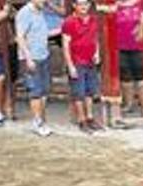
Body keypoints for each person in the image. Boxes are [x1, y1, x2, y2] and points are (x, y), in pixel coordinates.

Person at [61, 0, 102, 133]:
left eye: (86, 4)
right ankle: (81, 120)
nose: (84, 7)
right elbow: (66, 45)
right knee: (79, 93)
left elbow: (95, 38)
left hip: (90, 60)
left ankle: (90, 117)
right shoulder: (69, 22)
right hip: (76, 61)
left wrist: (97, 52)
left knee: (90, 91)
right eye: (80, 4)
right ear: (74, 6)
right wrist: (70, 65)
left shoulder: (93, 20)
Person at [16, 0, 53, 136]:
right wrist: (28, 58)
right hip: (32, 58)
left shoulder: (40, 11)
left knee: (44, 91)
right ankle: (38, 122)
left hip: (43, 55)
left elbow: (42, 33)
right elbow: (20, 37)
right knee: (35, 92)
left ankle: (41, 120)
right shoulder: (25, 13)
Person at [115, 0, 143, 119]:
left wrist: (141, 26)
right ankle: (128, 104)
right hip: (119, 45)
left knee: (140, 75)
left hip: (138, 46)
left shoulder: (142, 3)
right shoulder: (114, 5)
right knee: (125, 76)